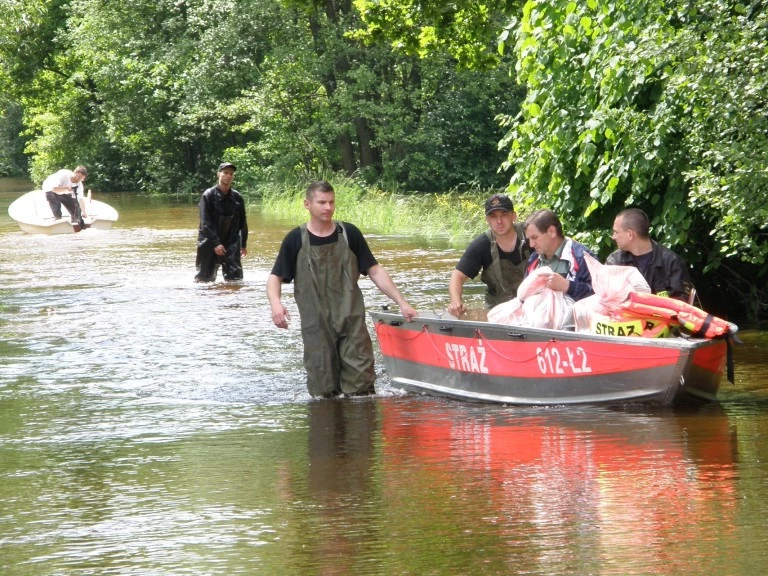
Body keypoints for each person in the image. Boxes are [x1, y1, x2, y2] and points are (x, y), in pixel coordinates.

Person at [267, 180, 417, 398]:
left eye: (331, 202)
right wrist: (276, 304)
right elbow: (275, 277)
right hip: (316, 326)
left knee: (361, 388)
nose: (328, 207)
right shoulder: (295, 239)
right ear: (307, 204)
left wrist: (402, 303)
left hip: (351, 322)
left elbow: (374, 270)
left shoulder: (349, 234)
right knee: (323, 393)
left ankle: (359, 429)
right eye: (321, 202)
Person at [448, 193, 531, 318]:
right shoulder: (482, 244)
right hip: (497, 310)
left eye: (504, 215)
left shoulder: (530, 234)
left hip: (532, 305)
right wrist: (456, 301)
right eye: (493, 216)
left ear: (514, 216)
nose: (499, 221)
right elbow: (457, 277)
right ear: (487, 220)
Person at [606, 207, 693, 301]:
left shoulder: (671, 262)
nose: (613, 237)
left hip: (663, 315)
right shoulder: (614, 262)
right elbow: (606, 298)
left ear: (630, 234)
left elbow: (682, 303)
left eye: (616, 232)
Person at [524, 209, 596, 301]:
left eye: (534, 237)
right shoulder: (534, 259)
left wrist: (568, 286)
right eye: (529, 239)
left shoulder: (582, 257)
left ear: (552, 231)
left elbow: (599, 295)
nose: (531, 244)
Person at [194, 162, 248, 282]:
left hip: (231, 242)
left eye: (231, 174)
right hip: (208, 241)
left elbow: (243, 223)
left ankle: (233, 300)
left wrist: (243, 244)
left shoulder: (237, 197)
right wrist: (216, 243)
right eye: (225, 173)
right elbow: (205, 223)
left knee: (236, 281)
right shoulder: (208, 196)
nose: (228, 176)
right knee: (204, 280)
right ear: (218, 174)